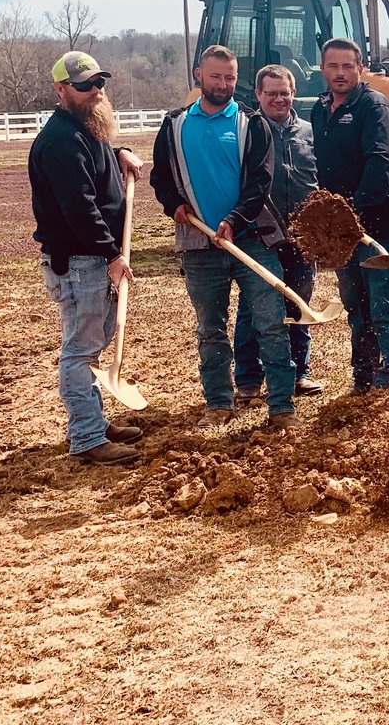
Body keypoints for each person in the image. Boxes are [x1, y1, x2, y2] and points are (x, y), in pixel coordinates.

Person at [150, 45, 298, 429]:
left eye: (230, 77)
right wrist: (174, 206)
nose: (223, 84)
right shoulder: (176, 124)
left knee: (271, 322)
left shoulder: (252, 123)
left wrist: (234, 220)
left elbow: (260, 182)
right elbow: (161, 179)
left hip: (250, 238)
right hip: (199, 244)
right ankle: (218, 403)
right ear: (199, 75)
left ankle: (282, 407)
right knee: (210, 329)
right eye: (215, 76)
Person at [29, 52, 145, 465]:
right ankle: (87, 437)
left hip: (92, 259)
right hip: (79, 262)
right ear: (61, 90)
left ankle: (94, 420)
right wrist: (112, 254)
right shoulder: (61, 139)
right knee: (80, 351)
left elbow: (96, 162)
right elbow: (79, 207)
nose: (95, 90)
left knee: (94, 344)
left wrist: (121, 153)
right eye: (84, 85)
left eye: (99, 82)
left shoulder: (86, 129)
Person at [311, 38, 389, 392]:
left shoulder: (374, 107)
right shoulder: (321, 109)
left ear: (360, 69)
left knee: (386, 300)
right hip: (342, 230)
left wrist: (350, 211)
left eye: (347, 66)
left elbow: (379, 163)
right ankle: (364, 372)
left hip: (379, 224)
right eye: (333, 66)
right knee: (356, 302)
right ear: (322, 69)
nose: (340, 73)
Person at [233, 64, 325, 401]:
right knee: (253, 307)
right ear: (258, 95)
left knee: (299, 305)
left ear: (293, 93)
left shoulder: (309, 132)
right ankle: (248, 379)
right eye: (271, 93)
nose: (278, 99)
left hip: (302, 236)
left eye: (284, 93)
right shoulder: (248, 133)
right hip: (260, 235)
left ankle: (299, 373)